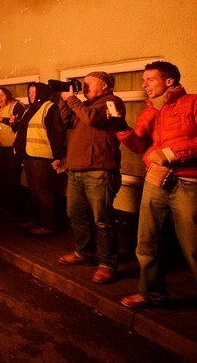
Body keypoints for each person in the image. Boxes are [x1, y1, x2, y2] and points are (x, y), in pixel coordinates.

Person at [113, 61, 197, 309]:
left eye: (150, 79)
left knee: (193, 246)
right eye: (143, 80)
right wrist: (122, 128)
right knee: (147, 241)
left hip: (188, 182)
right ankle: (151, 293)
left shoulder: (192, 103)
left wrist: (172, 153)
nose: (144, 85)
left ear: (169, 81)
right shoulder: (149, 110)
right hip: (155, 180)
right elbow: (139, 145)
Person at [57, 72, 125, 284]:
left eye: (89, 83)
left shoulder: (112, 102)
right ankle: (83, 252)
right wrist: (64, 100)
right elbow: (65, 122)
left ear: (104, 86)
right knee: (76, 214)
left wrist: (72, 100)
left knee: (102, 220)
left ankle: (107, 264)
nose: (84, 87)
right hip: (76, 171)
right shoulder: (84, 105)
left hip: (99, 172)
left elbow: (92, 118)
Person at [13, 82, 66, 236]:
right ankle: (35, 220)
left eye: (34, 92)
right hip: (28, 155)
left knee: (43, 192)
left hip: (42, 157)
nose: (31, 95)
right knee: (33, 191)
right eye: (29, 92)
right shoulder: (29, 109)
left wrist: (57, 156)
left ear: (41, 93)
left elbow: (57, 133)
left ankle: (47, 225)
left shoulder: (50, 108)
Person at [0, 87, 25, 213]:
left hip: (11, 149)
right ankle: (4, 205)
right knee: (2, 177)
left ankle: (14, 208)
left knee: (12, 178)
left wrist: (4, 120)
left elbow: (20, 124)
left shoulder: (16, 106)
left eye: (2, 95)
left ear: (7, 95)